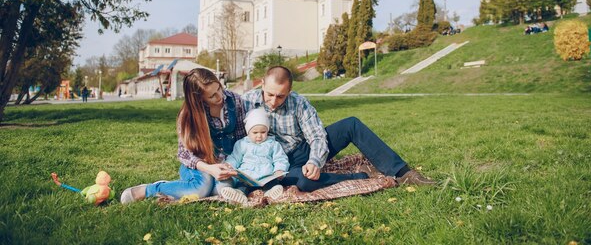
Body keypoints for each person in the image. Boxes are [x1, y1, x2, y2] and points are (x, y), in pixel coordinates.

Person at [241, 66, 435, 192]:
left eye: (280, 96)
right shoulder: (246, 101)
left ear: (289, 92)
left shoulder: (299, 103)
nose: (274, 101)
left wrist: (315, 161)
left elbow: (317, 136)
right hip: (272, 161)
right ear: (262, 84)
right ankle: (362, 176)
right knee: (305, 183)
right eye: (270, 94)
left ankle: (403, 173)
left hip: (300, 150)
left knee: (351, 124)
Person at [121, 68, 246, 204]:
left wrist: (231, 164)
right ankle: (149, 189)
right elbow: (184, 154)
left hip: (229, 163)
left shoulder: (235, 100)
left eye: (219, 89)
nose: (220, 96)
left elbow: (241, 139)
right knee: (201, 189)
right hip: (200, 164)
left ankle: (179, 188)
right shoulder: (188, 116)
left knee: (221, 190)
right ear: (199, 99)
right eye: (211, 96)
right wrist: (210, 168)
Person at [217, 108, 290, 205]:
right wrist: (229, 165)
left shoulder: (273, 144)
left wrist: (279, 169)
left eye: (263, 132)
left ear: (267, 131)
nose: (259, 136)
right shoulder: (242, 143)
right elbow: (235, 158)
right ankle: (239, 195)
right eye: (255, 133)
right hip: (247, 176)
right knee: (242, 185)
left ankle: (270, 193)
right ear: (248, 132)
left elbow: (280, 158)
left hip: (266, 176)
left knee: (273, 184)